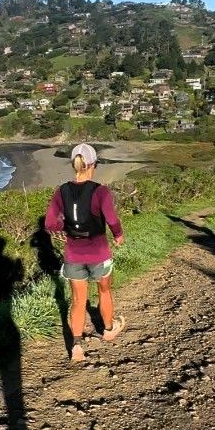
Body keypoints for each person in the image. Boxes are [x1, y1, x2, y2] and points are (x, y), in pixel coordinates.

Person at [45, 142, 125, 362]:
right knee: (104, 291)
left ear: (74, 164)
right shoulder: (101, 191)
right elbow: (112, 219)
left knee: (78, 300)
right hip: (99, 252)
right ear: (93, 165)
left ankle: (77, 347)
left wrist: (66, 228)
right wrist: (118, 235)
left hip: (73, 254)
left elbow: (50, 223)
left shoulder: (61, 191)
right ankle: (108, 330)